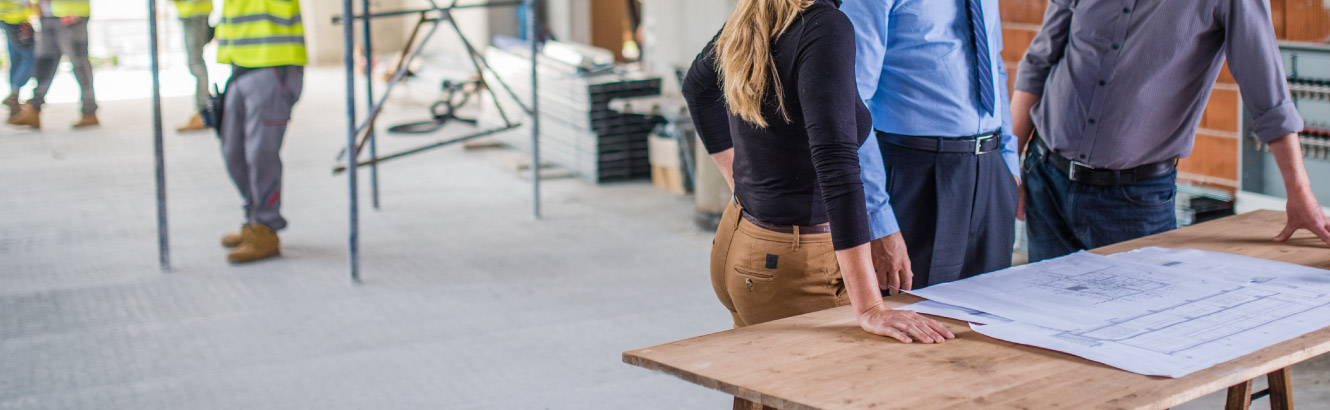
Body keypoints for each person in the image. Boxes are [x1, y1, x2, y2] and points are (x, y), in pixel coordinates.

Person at [1011, 0, 1330, 262]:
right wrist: (1010, 164)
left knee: (1136, 326)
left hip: (1133, 201)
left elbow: (1269, 97)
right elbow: (1039, 61)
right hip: (1046, 178)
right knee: (1048, 320)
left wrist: (1300, 193)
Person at [839, 0, 1020, 293]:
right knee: (918, 322)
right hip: (916, 178)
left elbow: (994, 64)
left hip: (992, 175)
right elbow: (850, 102)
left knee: (990, 318)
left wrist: (1009, 162)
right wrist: (877, 221)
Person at [214, 0, 306, 264]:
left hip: (274, 62)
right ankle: (254, 218)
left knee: (260, 153)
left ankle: (265, 226)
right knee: (233, 152)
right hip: (239, 65)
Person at [8, 0, 98, 130]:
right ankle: (34, 109)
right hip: (47, 15)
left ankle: (89, 111)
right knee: (44, 64)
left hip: (71, 17)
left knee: (79, 65)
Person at [173, 0, 212, 132]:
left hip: (195, 12)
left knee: (196, 63)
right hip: (190, 12)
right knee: (195, 62)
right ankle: (203, 111)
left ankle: (203, 112)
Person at [1, 0, 35, 119]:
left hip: (9, 17)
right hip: (14, 18)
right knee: (31, 58)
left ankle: (14, 102)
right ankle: (14, 95)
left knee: (16, 59)